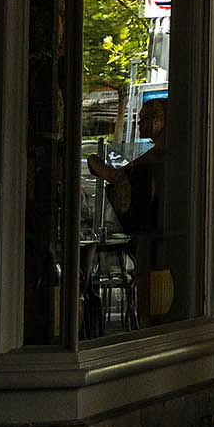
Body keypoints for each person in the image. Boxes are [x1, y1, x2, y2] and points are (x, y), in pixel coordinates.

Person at [86, 97, 169, 324]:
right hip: (159, 239)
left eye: (144, 119)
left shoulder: (152, 162)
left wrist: (101, 167)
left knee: (149, 306)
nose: (139, 123)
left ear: (159, 122)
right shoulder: (159, 158)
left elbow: (121, 179)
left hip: (151, 241)